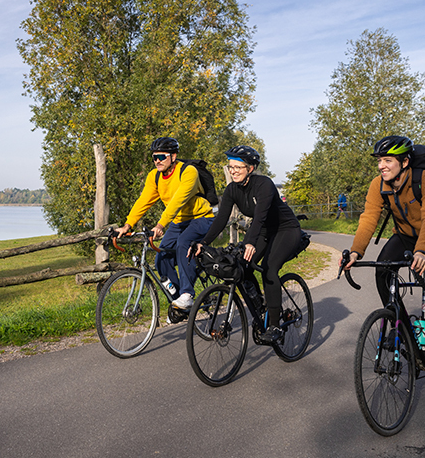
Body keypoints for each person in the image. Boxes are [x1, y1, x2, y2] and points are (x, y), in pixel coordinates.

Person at [340, 135, 425, 382]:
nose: (381, 166)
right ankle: (400, 325)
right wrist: (355, 251)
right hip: (406, 236)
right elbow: (368, 218)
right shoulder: (379, 184)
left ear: (405, 162)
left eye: (387, 160)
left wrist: (422, 251)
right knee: (382, 271)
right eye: (379, 161)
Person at [193, 145, 304, 344]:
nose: (233, 171)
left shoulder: (264, 185)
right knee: (240, 266)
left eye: (238, 167)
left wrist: (250, 243)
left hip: (285, 229)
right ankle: (261, 309)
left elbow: (260, 215)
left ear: (250, 168)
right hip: (262, 231)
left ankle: (275, 325)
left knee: (269, 269)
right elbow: (220, 219)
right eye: (231, 167)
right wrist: (203, 242)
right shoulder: (232, 189)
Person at [115, 137, 214, 310]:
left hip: (201, 218)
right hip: (178, 222)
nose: (157, 161)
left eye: (162, 156)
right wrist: (127, 225)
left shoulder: (188, 171)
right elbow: (143, 201)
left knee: (184, 243)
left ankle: (187, 295)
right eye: (154, 157)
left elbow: (178, 201)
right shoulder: (154, 177)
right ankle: (177, 304)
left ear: (173, 156)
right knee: (161, 257)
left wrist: (161, 225)